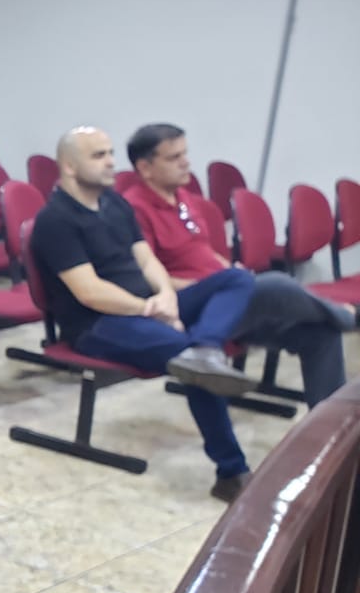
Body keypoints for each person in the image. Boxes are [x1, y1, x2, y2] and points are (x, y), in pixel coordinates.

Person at [30, 127, 262, 502]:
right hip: (99, 324)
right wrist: (149, 309)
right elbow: (89, 292)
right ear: (69, 167)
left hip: (148, 306)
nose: (111, 162)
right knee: (189, 359)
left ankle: (207, 346)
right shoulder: (55, 220)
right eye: (98, 156)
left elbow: (146, 259)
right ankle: (232, 473)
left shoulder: (114, 204)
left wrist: (166, 295)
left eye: (110, 153)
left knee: (236, 279)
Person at [122, 122, 351, 405]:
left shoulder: (184, 199)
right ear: (145, 168)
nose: (186, 163)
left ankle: (329, 419)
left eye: (185, 154)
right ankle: (347, 316)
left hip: (228, 301)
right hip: (192, 307)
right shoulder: (133, 210)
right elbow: (145, 275)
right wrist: (215, 285)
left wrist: (228, 269)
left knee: (320, 332)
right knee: (276, 284)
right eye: (174, 158)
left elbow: (203, 251)